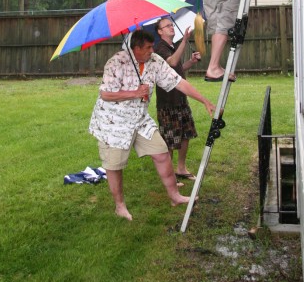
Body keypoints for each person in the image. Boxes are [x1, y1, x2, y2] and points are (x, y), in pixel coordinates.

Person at [89, 29, 215, 221]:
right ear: (136, 48)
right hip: (113, 123)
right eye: (147, 48)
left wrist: (204, 100)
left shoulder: (155, 61)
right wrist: (134, 93)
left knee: (162, 153)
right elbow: (105, 94)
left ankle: (174, 196)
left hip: (140, 119)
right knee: (114, 165)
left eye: (152, 46)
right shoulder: (116, 62)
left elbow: (178, 82)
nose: (151, 50)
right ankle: (120, 206)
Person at [155, 17, 201, 181]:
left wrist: (191, 62)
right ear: (160, 32)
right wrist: (185, 40)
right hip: (168, 102)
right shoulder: (159, 48)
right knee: (170, 140)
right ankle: (169, 175)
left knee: (185, 134)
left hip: (180, 98)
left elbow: (178, 68)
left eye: (171, 25)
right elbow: (172, 61)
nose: (171, 27)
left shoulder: (171, 46)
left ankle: (181, 168)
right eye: (167, 26)